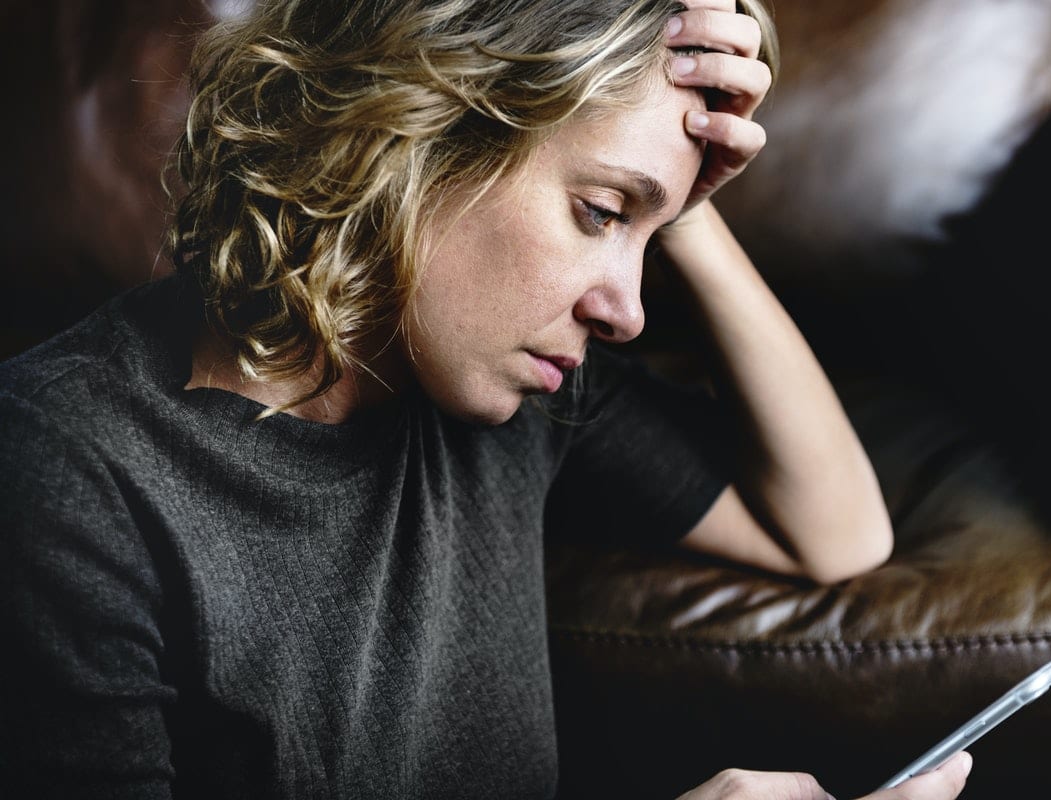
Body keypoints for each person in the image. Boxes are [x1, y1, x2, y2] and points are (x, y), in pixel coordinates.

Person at [0, 0, 969, 797]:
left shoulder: (515, 392)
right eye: (596, 210)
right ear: (413, 128)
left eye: (645, 233)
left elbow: (833, 529)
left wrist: (686, 207)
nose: (627, 310)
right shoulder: (65, 467)